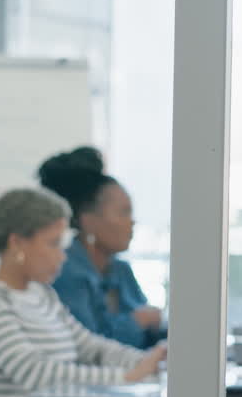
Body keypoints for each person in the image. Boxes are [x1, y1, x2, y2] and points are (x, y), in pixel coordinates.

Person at [0, 188, 167, 397]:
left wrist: (150, 363)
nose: (62, 256)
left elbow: (93, 349)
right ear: (16, 243)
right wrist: (126, 378)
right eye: (53, 243)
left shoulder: (42, 295)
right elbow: (33, 373)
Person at [39, 146, 166, 348]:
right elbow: (87, 349)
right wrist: (138, 321)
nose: (131, 222)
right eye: (124, 212)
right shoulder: (64, 272)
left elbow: (153, 332)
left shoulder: (121, 270)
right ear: (88, 221)